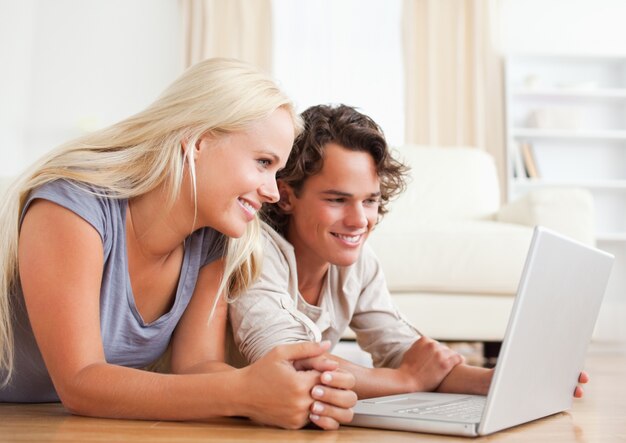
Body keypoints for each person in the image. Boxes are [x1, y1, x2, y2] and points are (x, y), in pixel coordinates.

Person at [0, 58, 357, 430]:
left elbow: (196, 367)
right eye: (263, 162)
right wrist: (243, 392)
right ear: (199, 142)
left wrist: (306, 390)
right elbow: (80, 381)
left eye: (277, 171)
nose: (271, 191)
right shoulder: (72, 206)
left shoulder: (216, 239)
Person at [229, 103, 590, 400]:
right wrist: (406, 382)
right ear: (288, 195)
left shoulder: (358, 265)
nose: (359, 221)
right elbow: (290, 365)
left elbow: (404, 351)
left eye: (369, 201)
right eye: (338, 200)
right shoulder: (254, 250)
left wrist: (498, 381)